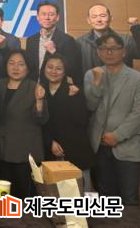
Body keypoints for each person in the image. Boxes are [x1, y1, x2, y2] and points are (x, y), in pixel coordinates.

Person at [84, 33, 140, 205]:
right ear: (98, 52)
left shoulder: (138, 78)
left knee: (129, 198)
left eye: (114, 48)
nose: (109, 52)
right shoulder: (91, 75)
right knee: (106, 197)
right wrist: (97, 84)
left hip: (127, 145)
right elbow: (90, 106)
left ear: (124, 51)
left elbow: (139, 112)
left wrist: (117, 135)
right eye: (104, 49)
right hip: (99, 145)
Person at [0, 49, 48, 199]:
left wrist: (39, 101)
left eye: (21, 64)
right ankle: (6, 215)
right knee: (5, 198)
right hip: (1, 151)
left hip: (25, 154)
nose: (15, 68)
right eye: (11, 63)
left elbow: (41, 119)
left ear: (28, 68)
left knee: (25, 197)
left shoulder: (34, 87)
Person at [42, 53, 94, 190]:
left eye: (59, 68)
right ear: (44, 68)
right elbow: (39, 122)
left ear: (65, 71)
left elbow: (82, 121)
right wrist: (50, 142)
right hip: (51, 153)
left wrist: (73, 99)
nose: (53, 71)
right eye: (50, 67)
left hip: (76, 152)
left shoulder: (73, 89)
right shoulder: (40, 90)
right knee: (54, 197)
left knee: (80, 196)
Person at [77, 3, 140, 74]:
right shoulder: (80, 43)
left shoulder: (125, 40)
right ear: (88, 20)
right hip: (90, 83)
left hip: (121, 83)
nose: (99, 20)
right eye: (94, 17)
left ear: (111, 18)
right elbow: (75, 70)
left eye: (103, 16)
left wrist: (136, 28)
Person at [26, 0, 82, 85]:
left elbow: (73, 69)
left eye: (51, 14)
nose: (47, 18)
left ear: (57, 17)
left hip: (55, 87)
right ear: (37, 17)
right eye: (43, 14)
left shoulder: (67, 40)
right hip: (34, 87)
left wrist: (54, 52)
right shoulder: (31, 40)